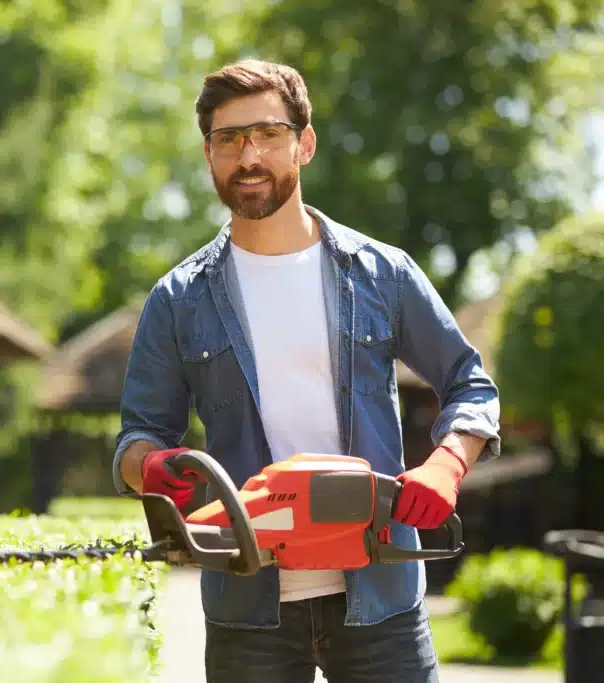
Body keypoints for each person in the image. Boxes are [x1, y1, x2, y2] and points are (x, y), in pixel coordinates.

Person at [112, 58, 501, 683]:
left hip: (381, 598)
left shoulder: (383, 274)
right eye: (228, 140)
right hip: (248, 607)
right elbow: (137, 439)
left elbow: (469, 383)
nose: (248, 156)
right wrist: (154, 469)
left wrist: (446, 464)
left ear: (304, 143)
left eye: (266, 133)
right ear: (209, 155)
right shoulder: (177, 299)